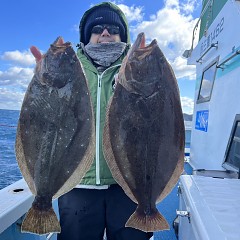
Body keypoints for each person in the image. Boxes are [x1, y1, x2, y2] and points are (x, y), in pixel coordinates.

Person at [56, 2, 153, 240]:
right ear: (87, 37)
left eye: (113, 28)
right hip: (78, 182)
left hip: (129, 184)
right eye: (97, 28)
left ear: (123, 36)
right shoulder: (69, 69)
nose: (105, 33)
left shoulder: (139, 69)